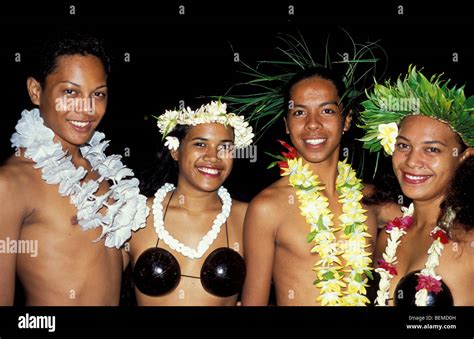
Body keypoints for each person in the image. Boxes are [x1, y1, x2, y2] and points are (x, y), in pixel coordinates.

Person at [0, 32, 148, 305]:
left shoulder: (109, 176)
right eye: (70, 92)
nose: (87, 108)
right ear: (36, 91)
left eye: (98, 94)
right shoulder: (11, 182)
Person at [242, 67, 380, 306]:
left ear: (346, 120)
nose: (312, 124)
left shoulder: (374, 200)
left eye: (327, 111)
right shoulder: (267, 207)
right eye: (299, 113)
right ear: (286, 124)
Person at [359, 66, 474, 306]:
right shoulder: (390, 237)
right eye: (403, 146)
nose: (412, 161)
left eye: (432, 149)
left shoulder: (468, 240)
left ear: (464, 156)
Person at [129, 101, 253, 306]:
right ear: (175, 151)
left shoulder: (249, 218)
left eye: (224, 147)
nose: (213, 157)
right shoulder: (136, 214)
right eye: (200, 144)